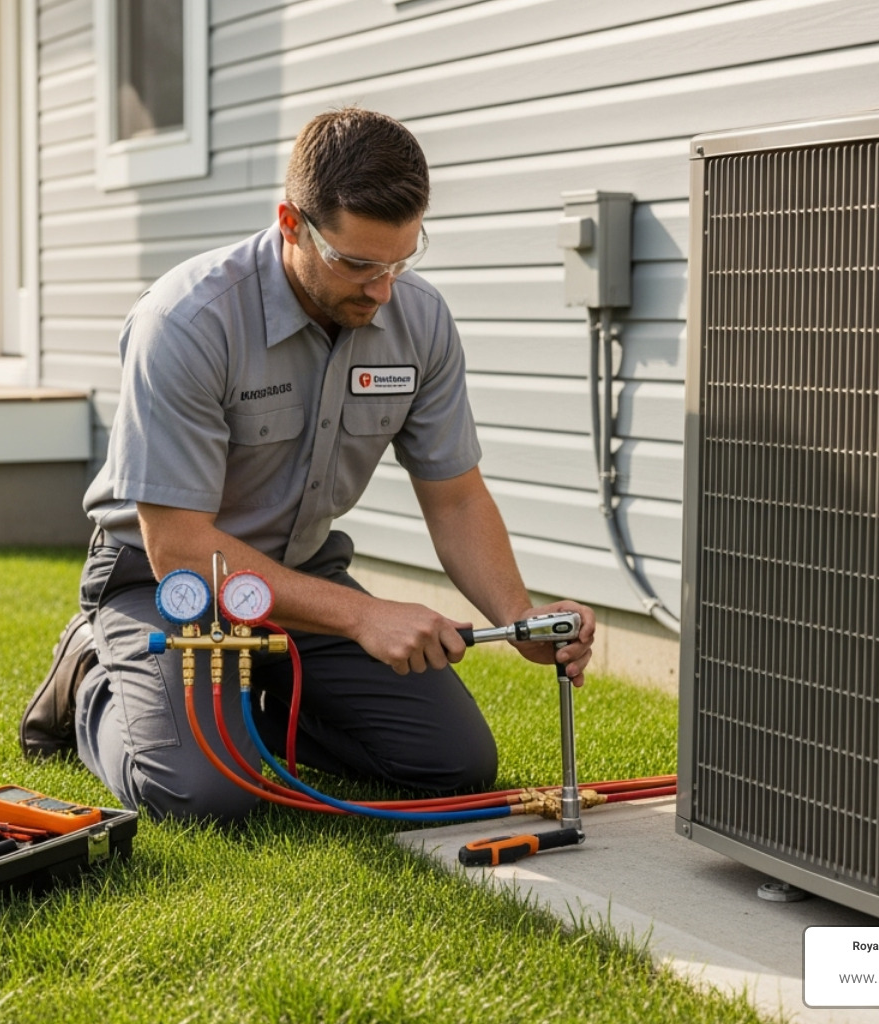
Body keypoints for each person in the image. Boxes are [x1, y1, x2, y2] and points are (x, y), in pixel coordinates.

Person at [47, 107, 595, 821]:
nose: (382, 290)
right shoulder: (187, 322)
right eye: (357, 264)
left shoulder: (419, 322)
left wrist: (519, 618)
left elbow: (455, 498)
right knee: (209, 792)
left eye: (400, 261)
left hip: (301, 576)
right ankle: (96, 677)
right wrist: (363, 616)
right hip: (166, 586)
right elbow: (178, 543)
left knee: (453, 763)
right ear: (290, 222)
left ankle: (236, 709)